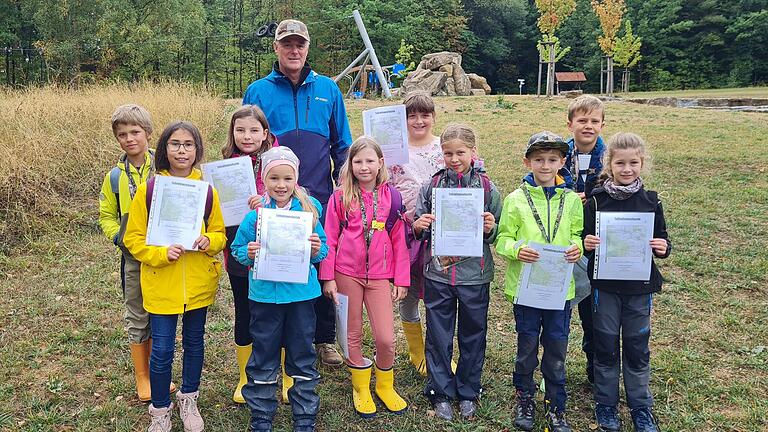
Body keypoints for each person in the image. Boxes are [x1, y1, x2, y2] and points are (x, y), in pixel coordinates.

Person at [242, 18, 352, 368]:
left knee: (318, 261)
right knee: (279, 260)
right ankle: (277, 339)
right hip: (271, 196)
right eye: (287, 43)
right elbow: (244, 141)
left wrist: (345, 187)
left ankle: (323, 339)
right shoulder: (258, 90)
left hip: (317, 192)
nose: (294, 50)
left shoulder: (328, 90)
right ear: (276, 47)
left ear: (307, 48)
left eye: (299, 44)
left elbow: (343, 144)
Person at [123, 121, 226, 432]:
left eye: (188, 144)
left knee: (195, 343)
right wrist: (160, 254)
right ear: (164, 149)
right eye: (175, 144)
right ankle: (160, 408)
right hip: (161, 283)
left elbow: (220, 232)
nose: (182, 150)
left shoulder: (207, 190)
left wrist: (211, 241)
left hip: (197, 284)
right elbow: (133, 238)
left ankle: (189, 398)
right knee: (164, 349)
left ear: (197, 151)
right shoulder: (150, 190)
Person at [230, 146, 328, 432]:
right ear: (264, 179)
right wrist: (248, 253)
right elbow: (237, 249)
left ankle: (305, 413)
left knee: (302, 353)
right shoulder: (255, 217)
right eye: (274, 179)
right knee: (264, 353)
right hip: (264, 297)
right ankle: (261, 413)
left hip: (301, 296)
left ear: (296, 179)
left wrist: (315, 249)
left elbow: (322, 251)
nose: (281, 185)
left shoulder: (308, 213)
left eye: (287, 178)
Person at [412, 123, 502, 421]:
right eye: (448, 153)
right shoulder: (432, 186)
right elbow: (416, 225)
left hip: (474, 276)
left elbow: (498, 233)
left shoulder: (487, 188)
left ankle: (467, 391)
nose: (454, 159)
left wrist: (491, 228)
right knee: (438, 334)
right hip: (438, 275)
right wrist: (419, 225)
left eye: (460, 153)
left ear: (473, 152)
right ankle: (441, 392)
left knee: (473, 334)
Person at [495, 131, 583, 432]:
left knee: (557, 349)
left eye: (552, 160)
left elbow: (576, 235)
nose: (545, 166)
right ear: (527, 161)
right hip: (526, 288)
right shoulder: (515, 199)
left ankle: (557, 405)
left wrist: (577, 248)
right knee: (527, 347)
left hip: (559, 290)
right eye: (539, 160)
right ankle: (525, 398)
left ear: (562, 162)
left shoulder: (571, 200)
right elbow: (502, 239)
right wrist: (518, 249)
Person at [583, 133, 671, 432]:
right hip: (605, 286)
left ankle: (640, 407)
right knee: (605, 343)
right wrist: (588, 243)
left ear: (642, 163)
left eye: (633, 163)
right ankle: (606, 404)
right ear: (609, 164)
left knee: (637, 345)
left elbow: (663, 239)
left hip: (638, 287)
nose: (627, 169)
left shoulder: (651, 200)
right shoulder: (596, 200)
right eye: (620, 163)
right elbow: (584, 239)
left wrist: (663, 247)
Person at [321, 137, 409, 418]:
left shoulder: (392, 197)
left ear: (380, 163)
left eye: (370, 161)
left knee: (385, 337)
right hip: (346, 274)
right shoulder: (339, 197)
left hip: (381, 277)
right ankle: (360, 386)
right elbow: (330, 239)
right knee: (351, 334)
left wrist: (402, 279)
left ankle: (385, 385)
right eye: (358, 161)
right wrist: (328, 278)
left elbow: (398, 240)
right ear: (350, 164)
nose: (364, 167)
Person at [98, 104, 173, 402]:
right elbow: (106, 214)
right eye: (122, 134)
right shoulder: (114, 178)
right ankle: (143, 377)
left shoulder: (165, 169)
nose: (129, 139)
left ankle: (158, 373)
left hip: (164, 254)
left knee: (160, 310)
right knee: (137, 311)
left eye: (135, 132)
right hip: (132, 257)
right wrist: (118, 236)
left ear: (148, 133)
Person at [219, 105, 279, 404]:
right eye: (240, 130)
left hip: (275, 253)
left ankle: (280, 372)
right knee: (244, 311)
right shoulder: (224, 167)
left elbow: (294, 196)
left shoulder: (280, 161)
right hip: (240, 253)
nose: (247, 136)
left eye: (254, 130)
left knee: (276, 313)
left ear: (265, 133)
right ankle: (245, 376)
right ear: (232, 132)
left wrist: (266, 200)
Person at [387, 91, 445, 376]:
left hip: (442, 237)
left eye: (425, 115)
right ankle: (417, 352)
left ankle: (438, 350)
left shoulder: (444, 148)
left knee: (438, 295)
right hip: (406, 235)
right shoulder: (393, 152)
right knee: (408, 293)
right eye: (412, 116)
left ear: (433, 117)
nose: (419, 121)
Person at [561, 94, 607, 386]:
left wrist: (590, 200)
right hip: (564, 240)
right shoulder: (559, 154)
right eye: (582, 120)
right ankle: (553, 369)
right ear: (570, 124)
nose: (588, 126)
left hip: (597, 241)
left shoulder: (609, 156)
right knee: (559, 310)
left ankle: (596, 369)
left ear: (602, 125)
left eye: (594, 121)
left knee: (594, 313)